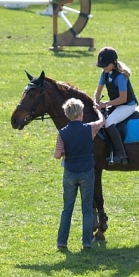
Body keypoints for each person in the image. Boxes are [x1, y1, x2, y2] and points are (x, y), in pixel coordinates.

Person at [54, 98, 105, 250]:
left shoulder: (62, 133)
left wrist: (65, 151)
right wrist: (98, 111)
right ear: (81, 114)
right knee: (87, 209)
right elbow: (102, 122)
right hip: (87, 172)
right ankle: (86, 243)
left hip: (70, 173)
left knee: (67, 209)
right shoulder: (89, 128)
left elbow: (57, 155)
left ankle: (62, 242)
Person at [93, 46, 138, 165]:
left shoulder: (121, 77)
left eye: (105, 65)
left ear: (113, 63)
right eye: (102, 65)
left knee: (108, 122)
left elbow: (123, 99)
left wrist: (105, 104)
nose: (104, 67)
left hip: (127, 105)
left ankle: (121, 154)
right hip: (116, 104)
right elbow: (98, 91)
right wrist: (96, 102)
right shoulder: (105, 73)